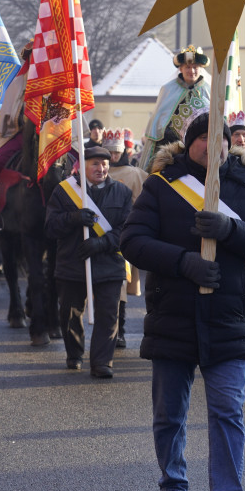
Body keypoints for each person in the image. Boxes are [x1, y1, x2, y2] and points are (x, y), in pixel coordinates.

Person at [121, 110, 245, 491]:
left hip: (228, 319)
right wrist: (182, 262)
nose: (216, 149)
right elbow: (133, 241)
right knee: (169, 415)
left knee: (227, 413)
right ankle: (172, 487)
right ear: (189, 143)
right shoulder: (161, 186)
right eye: (207, 140)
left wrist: (231, 230)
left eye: (222, 142)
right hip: (172, 317)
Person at [45, 145, 132, 377]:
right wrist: (73, 218)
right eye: (95, 163)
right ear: (81, 166)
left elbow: (127, 229)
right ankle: (74, 353)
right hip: (73, 263)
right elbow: (50, 227)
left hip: (109, 264)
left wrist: (102, 243)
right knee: (70, 314)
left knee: (108, 315)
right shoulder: (64, 192)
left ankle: (102, 362)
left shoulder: (122, 193)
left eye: (104, 164)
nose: (101, 168)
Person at [102, 128, 148, 347]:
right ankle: (108, 328)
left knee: (121, 285)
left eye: (116, 152)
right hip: (101, 233)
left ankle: (120, 329)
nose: (113, 157)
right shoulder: (100, 171)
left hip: (124, 234)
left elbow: (144, 201)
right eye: (109, 152)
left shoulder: (135, 174)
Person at [138, 45, 212, 172]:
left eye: (195, 67)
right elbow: (159, 123)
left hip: (201, 147)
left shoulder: (209, 90)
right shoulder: (168, 89)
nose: (192, 71)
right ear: (181, 69)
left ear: (200, 69)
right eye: (188, 67)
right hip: (169, 147)